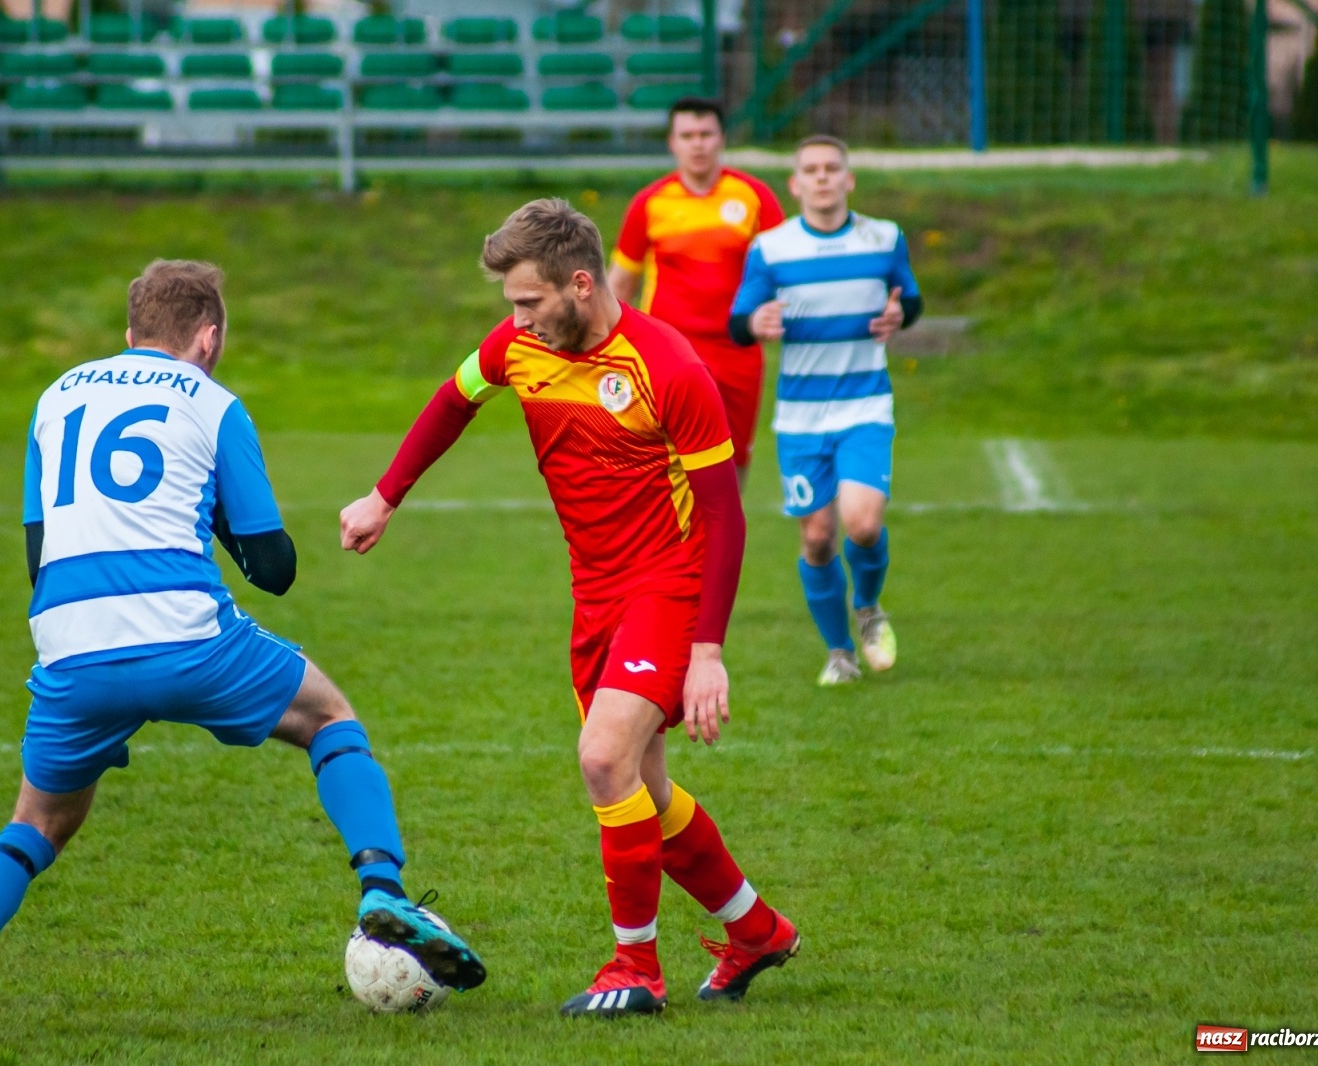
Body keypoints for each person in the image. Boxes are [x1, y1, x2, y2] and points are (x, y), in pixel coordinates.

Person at [0, 260, 484, 1054]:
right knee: (329, 716)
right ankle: (383, 887)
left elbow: (40, 553)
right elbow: (274, 570)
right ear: (209, 336)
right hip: (187, 636)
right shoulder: (214, 402)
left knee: (38, 821)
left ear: (130, 333)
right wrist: (224, 530)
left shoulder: (55, 398)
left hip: (70, 646)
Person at [340, 201, 798, 1018]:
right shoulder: (520, 348)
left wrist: (707, 650)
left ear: (579, 285)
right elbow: (453, 400)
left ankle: (634, 969)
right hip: (595, 596)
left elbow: (725, 517)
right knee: (643, 791)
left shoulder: (671, 369)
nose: (515, 321)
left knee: (602, 760)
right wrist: (384, 496)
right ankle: (756, 930)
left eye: (527, 302)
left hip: (669, 584)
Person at [728, 136, 923, 686]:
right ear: (795, 184)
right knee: (817, 538)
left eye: (831, 168)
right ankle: (840, 652)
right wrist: (756, 325)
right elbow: (738, 320)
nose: (821, 178)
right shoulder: (771, 248)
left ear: (848, 178)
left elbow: (909, 297)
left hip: (865, 404)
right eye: (810, 170)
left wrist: (899, 312)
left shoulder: (883, 237)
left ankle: (867, 608)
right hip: (800, 417)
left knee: (861, 525)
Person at [607, 96, 785, 486]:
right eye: (688, 135)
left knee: (730, 470)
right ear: (673, 143)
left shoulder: (753, 197)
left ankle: (722, 547)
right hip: (668, 353)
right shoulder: (649, 204)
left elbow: (786, 272)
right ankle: (669, 546)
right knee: (665, 465)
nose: (698, 144)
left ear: (722, 138)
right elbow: (618, 285)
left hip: (737, 354)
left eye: (706, 134)